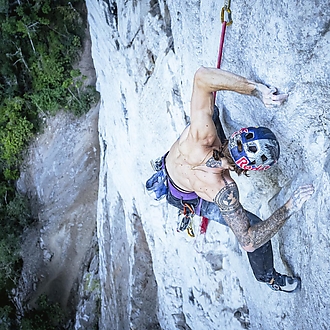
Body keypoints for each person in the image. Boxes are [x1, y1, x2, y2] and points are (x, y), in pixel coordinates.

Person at [148, 66, 315, 293]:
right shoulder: (224, 189)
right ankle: (269, 278)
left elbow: (202, 77)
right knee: (256, 226)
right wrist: (289, 207)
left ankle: (270, 278)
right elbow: (249, 241)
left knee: (212, 111)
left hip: (172, 175)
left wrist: (257, 90)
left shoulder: (202, 134)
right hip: (191, 197)